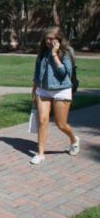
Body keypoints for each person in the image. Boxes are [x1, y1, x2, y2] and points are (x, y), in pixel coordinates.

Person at [30, 26, 79, 165]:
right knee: (42, 121)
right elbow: (36, 75)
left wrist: (54, 54)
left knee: (61, 124)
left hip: (61, 90)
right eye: (47, 38)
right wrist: (34, 92)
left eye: (52, 39)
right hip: (43, 90)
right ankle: (40, 154)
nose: (49, 41)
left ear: (59, 40)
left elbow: (64, 73)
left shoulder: (67, 52)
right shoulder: (41, 53)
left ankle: (74, 139)